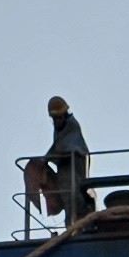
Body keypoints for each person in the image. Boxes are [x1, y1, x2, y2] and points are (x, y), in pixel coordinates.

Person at [28, 94, 93, 226]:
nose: (57, 121)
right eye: (54, 118)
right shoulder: (59, 130)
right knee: (69, 206)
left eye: (59, 117)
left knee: (76, 204)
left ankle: (80, 224)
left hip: (74, 178)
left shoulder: (72, 126)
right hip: (65, 179)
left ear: (65, 115)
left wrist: (45, 159)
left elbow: (63, 148)